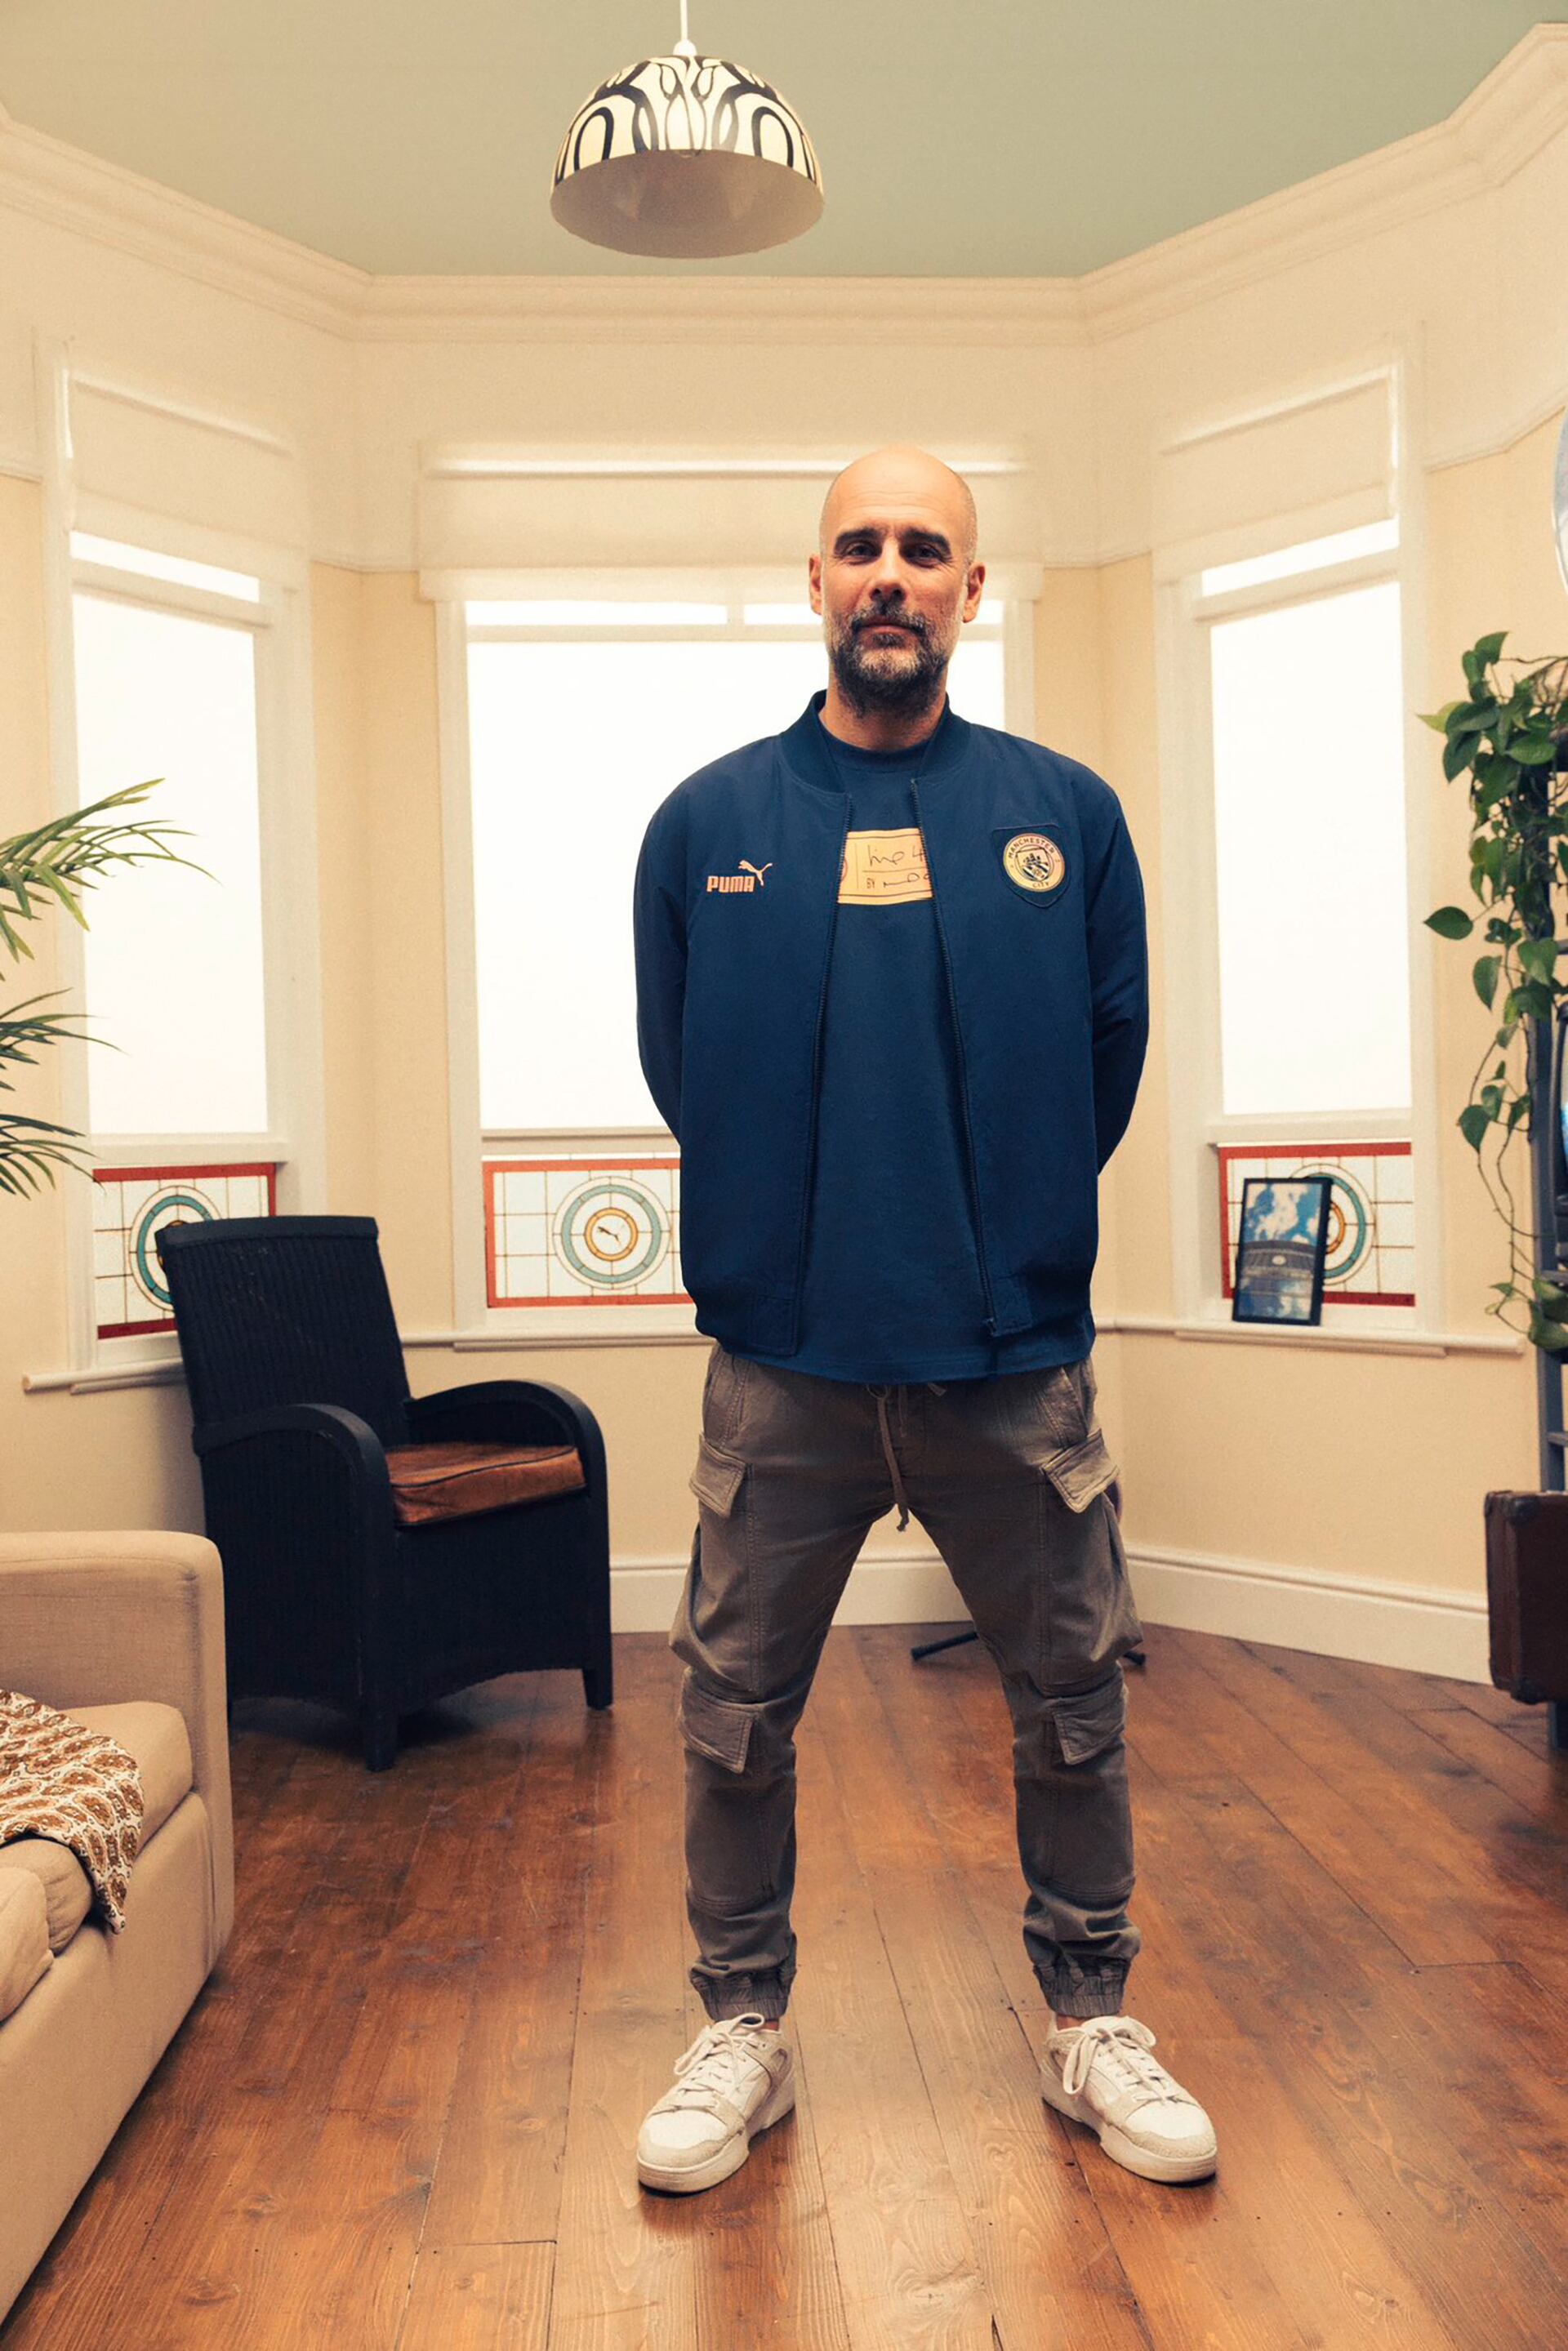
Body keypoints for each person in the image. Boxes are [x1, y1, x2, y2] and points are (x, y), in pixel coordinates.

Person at [630, 445, 1217, 2197]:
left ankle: (1093, 2019)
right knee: (734, 1716)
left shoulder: (1066, 816)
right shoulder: (706, 826)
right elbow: (683, 1070)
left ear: (971, 588)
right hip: (783, 1373)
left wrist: (1001, 1230)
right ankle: (742, 2025)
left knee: (1075, 1705)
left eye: (925, 548)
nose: (890, 573)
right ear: (815, 582)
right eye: (859, 546)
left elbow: (1106, 1063)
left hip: (1011, 1368)